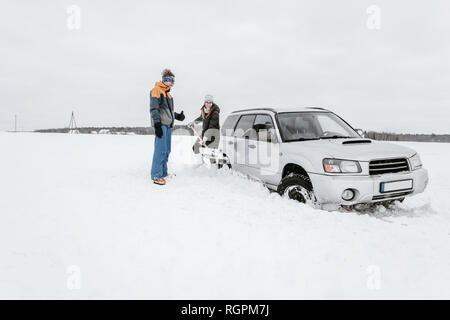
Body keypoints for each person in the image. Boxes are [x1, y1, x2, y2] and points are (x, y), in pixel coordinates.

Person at [149, 69, 185, 185]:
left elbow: (168, 112)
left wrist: (178, 116)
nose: (173, 83)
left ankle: (163, 173)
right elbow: (154, 109)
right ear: (166, 80)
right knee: (160, 150)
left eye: (174, 80)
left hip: (168, 125)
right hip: (161, 125)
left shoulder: (168, 94)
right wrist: (157, 125)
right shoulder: (156, 90)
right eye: (172, 80)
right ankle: (156, 175)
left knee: (166, 150)